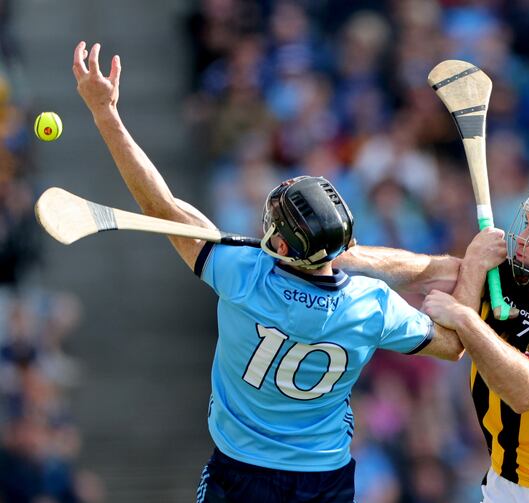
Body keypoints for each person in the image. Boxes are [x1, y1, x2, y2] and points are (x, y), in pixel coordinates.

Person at [71, 41, 464, 503]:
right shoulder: (372, 306)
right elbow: (454, 345)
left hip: (241, 473)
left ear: (280, 246)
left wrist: (105, 114)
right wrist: (463, 269)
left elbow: (160, 206)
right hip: (326, 479)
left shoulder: (240, 274)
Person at [340, 186, 529, 502]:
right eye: (527, 223)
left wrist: (466, 319)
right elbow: (422, 271)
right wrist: (348, 256)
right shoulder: (505, 276)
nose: (522, 236)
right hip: (503, 486)